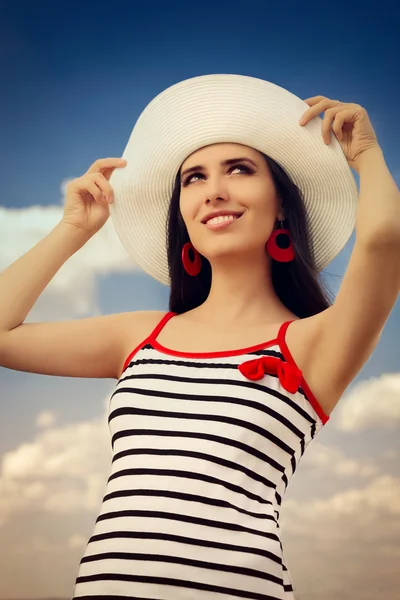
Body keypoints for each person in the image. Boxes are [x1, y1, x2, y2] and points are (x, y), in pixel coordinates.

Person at [0, 74, 398, 599]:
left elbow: (383, 240)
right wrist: (72, 229)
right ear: (184, 216)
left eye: (240, 169)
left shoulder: (310, 344)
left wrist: (366, 154)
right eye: (193, 179)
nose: (214, 190)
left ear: (281, 203)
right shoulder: (142, 335)